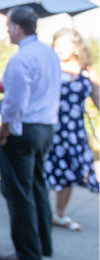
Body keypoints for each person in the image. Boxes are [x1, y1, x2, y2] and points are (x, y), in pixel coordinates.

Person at [0, 5, 61, 260]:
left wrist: (3, 132)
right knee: (37, 186)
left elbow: (14, 105)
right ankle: (43, 244)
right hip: (46, 128)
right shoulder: (49, 54)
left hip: (24, 131)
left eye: (8, 26)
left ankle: (27, 251)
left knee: (18, 191)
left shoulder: (20, 59)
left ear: (17, 28)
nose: (7, 32)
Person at [44, 28, 99, 232]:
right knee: (48, 170)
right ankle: (44, 213)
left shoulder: (86, 71)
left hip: (74, 131)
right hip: (52, 128)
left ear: (76, 47)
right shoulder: (51, 67)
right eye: (57, 45)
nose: (60, 49)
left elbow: (98, 99)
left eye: (65, 45)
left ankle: (60, 213)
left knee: (70, 171)